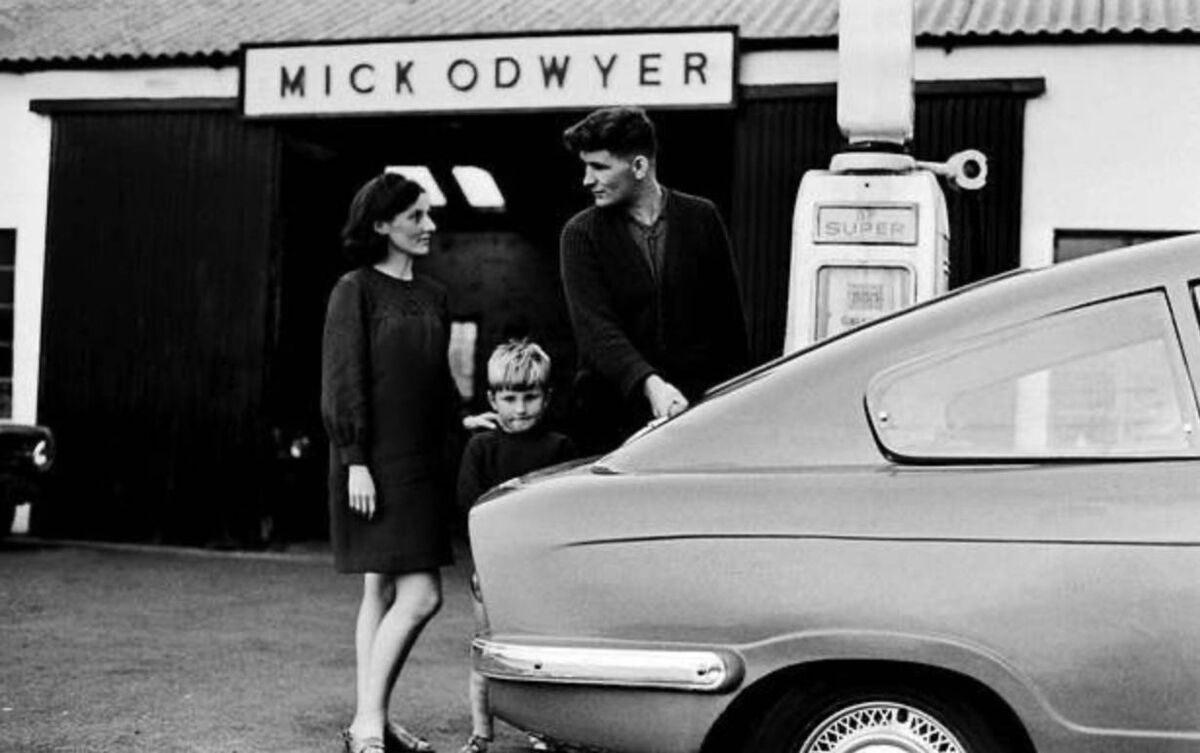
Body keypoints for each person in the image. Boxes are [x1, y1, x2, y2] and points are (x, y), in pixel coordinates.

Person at [321, 171, 453, 753]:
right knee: (422, 595)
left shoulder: (434, 295)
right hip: (373, 465)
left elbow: (435, 379)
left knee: (380, 592)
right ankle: (368, 723)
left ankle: (370, 719)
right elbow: (342, 378)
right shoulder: (355, 289)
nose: (428, 226)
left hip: (423, 462)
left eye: (429, 214)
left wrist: (465, 419)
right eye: (415, 216)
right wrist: (354, 459)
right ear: (381, 224)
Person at [559, 105, 751, 453]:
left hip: (697, 418)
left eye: (599, 167)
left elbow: (729, 327)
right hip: (608, 425)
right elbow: (596, 331)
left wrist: (738, 411)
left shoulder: (702, 218)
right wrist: (651, 385)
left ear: (639, 166)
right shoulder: (580, 234)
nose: (587, 180)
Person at [456, 339, 576, 753]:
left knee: (540, 654)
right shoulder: (481, 448)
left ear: (547, 397)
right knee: (486, 650)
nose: (520, 408)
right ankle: (479, 733)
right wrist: (481, 568)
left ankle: (542, 730)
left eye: (530, 397)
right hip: (491, 569)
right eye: (509, 398)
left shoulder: (560, 448)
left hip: (542, 570)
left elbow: (564, 513)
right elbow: (470, 510)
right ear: (493, 398)